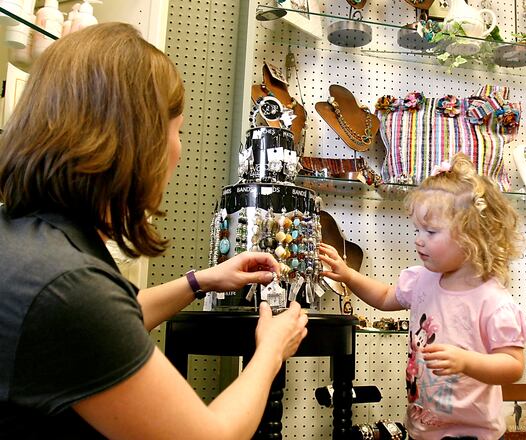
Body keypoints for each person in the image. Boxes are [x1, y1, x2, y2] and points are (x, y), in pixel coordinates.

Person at [0, 23, 308, 439]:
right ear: (137, 142)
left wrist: (200, 282)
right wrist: (271, 350)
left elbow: (108, 324)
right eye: (177, 131)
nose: (178, 151)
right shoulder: (68, 286)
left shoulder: (29, 243)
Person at [320, 153, 526, 440]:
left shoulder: (493, 301)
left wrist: (466, 362)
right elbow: (384, 297)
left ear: (473, 236)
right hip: (423, 428)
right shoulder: (421, 279)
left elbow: (513, 365)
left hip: (473, 434)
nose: (418, 239)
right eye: (417, 229)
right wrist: (348, 275)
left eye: (431, 231)